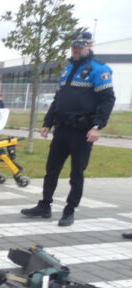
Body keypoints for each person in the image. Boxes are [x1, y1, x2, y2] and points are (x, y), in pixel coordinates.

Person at [21, 31, 115, 226]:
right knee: (51, 170)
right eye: (74, 47)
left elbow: (107, 100)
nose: (76, 50)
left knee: (76, 174)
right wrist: (48, 122)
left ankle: (69, 210)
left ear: (90, 46)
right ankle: (45, 205)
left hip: (83, 131)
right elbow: (58, 99)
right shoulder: (68, 68)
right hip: (62, 128)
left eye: (80, 47)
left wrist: (98, 126)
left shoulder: (99, 69)